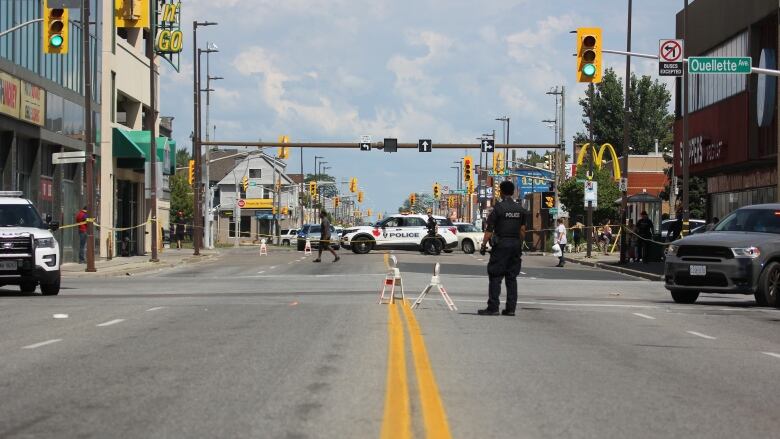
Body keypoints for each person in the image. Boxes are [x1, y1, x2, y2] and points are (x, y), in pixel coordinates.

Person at [478, 180, 527, 316]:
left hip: (501, 245)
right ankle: (510, 309)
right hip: (515, 245)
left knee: (495, 275)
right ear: (513, 192)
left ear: (501, 191)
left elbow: (489, 229)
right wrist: (519, 244)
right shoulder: (520, 209)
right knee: (511, 277)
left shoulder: (498, 208)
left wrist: (483, 245)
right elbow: (523, 230)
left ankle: (493, 307)